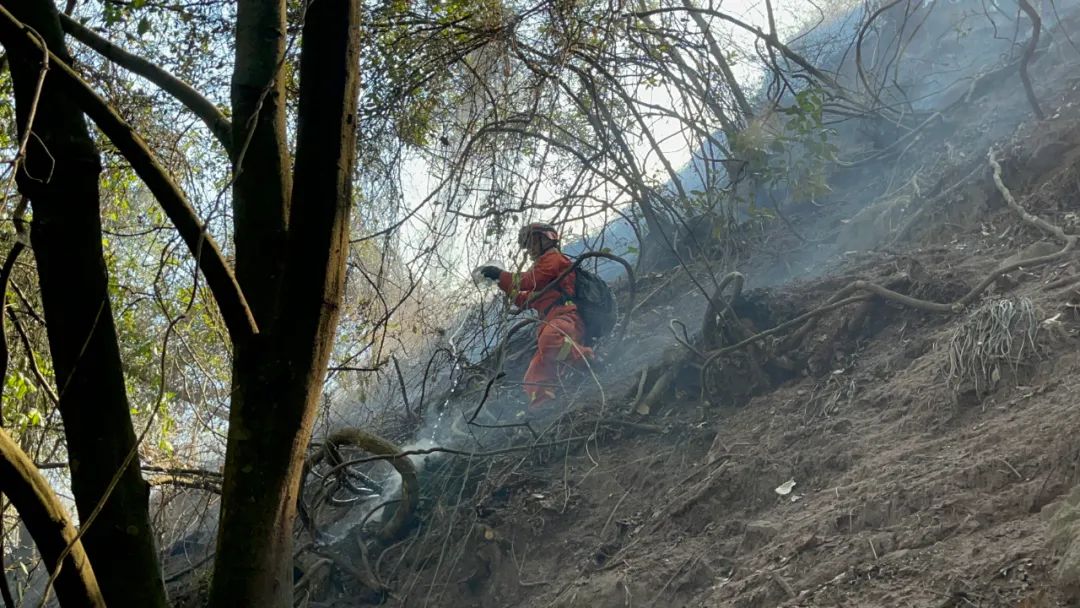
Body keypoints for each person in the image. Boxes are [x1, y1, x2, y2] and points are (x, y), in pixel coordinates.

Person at [477, 222, 593, 409]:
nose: (529, 248)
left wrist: (501, 274)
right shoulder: (542, 277)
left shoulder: (553, 259)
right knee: (533, 377)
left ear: (546, 238)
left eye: (531, 242)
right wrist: (500, 281)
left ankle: (586, 359)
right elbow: (523, 300)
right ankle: (542, 406)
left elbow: (529, 281)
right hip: (553, 321)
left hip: (568, 319)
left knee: (549, 338)